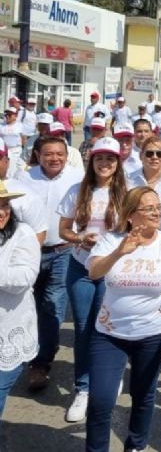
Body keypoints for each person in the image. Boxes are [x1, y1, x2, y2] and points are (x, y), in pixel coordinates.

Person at [85, 186, 161, 452]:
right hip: (109, 333)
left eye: (158, 207)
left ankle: (136, 445)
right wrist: (119, 251)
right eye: (149, 208)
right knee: (101, 400)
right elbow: (95, 273)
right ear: (131, 215)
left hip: (152, 334)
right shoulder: (111, 240)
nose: (156, 213)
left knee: (143, 396)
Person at [56, 137, 127, 423]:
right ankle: (83, 389)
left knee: (109, 327)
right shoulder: (78, 190)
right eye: (100, 158)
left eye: (110, 158)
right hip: (81, 268)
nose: (105, 163)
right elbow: (63, 230)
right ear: (92, 161)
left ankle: (108, 378)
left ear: (117, 162)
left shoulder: (126, 192)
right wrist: (79, 238)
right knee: (85, 330)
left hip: (112, 270)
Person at [16, 136, 84, 391]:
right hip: (30, 251)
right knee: (28, 306)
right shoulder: (25, 178)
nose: (54, 158)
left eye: (59, 154)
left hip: (63, 251)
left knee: (52, 305)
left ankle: (41, 363)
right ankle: (30, 348)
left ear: (67, 156)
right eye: (48, 154)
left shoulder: (78, 177)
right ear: (37, 155)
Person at [0, 180, 40, 420]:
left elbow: (24, 278)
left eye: (5, 205)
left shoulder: (22, 233)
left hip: (8, 330)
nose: (2, 211)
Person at [1, 107, 23, 178]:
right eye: (6, 115)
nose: (7, 116)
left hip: (16, 150)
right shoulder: (1, 125)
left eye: (9, 115)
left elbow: (24, 138)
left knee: (15, 168)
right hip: (4, 151)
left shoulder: (20, 126)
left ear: (15, 116)